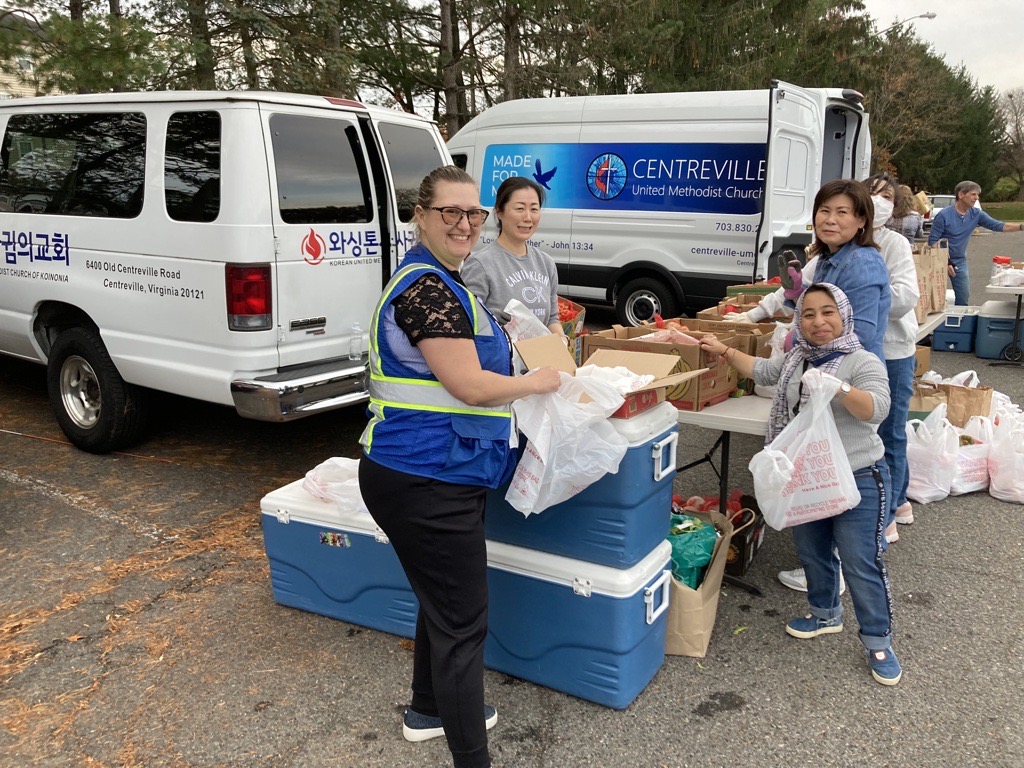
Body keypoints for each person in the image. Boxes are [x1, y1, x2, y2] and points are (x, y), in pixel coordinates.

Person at [357, 165, 561, 768]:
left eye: (472, 213)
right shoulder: (426, 289)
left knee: (441, 603)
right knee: (463, 626)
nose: (465, 223)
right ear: (420, 216)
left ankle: (427, 709)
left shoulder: (447, 280)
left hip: (438, 470)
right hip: (425, 478)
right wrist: (538, 381)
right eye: (451, 212)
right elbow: (469, 385)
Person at [700, 283, 901, 686]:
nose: (818, 322)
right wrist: (720, 348)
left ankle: (878, 638)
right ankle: (825, 613)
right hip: (806, 477)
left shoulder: (862, 361)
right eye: (808, 314)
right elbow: (761, 371)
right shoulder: (796, 358)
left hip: (858, 476)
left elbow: (877, 408)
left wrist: (839, 388)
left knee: (860, 562)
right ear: (799, 320)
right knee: (812, 551)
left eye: (828, 312)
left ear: (844, 316)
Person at [725, 178, 891, 360]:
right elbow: (824, 311)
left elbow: (860, 335)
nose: (830, 220)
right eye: (824, 211)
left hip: (849, 376)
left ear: (861, 220)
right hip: (825, 370)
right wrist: (796, 293)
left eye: (842, 212)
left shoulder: (862, 263)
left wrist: (798, 340)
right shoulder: (829, 257)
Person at [461, 176, 565, 337]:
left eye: (534, 209)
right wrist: (488, 318)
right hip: (502, 360)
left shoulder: (546, 263)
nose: (528, 217)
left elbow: (552, 318)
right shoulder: (480, 264)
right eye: (520, 208)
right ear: (499, 212)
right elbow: (466, 323)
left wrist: (561, 340)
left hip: (542, 359)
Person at [928, 180, 1024, 306]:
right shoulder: (944, 215)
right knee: (935, 297)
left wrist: (1021, 226)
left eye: (977, 195)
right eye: (973, 194)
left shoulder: (976, 214)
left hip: (959, 261)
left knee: (964, 295)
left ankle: (961, 323)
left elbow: (998, 225)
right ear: (961, 195)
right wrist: (946, 262)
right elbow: (933, 240)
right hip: (938, 260)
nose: (977, 198)